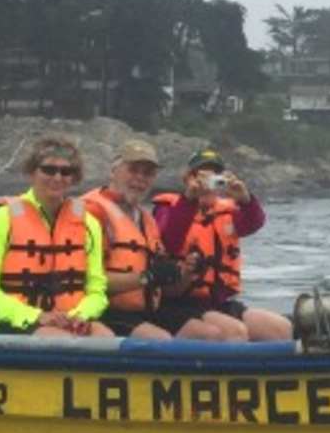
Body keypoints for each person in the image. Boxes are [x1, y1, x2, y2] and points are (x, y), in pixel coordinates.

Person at [83, 139, 238, 341]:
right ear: (114, 170)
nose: (140, 178)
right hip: (106, 311)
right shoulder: (92, 211)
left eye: (147, 173)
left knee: (211, 334)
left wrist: (185, 274)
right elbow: (85, 281)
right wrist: (147, 277)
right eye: (133, 170)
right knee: (161, 339)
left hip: (147, 311)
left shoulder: (147, 220)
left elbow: (167, 290)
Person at [0, 135, 112, 337]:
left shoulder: (89, 224)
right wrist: (36, 316)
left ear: (74, 177)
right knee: (59, 340)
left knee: (105, 337)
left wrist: (80, 315)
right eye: (49, 170)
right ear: (32, 172)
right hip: (12, 323)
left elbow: (97, 290)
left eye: (66, 171)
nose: (58, 177)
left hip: (71, 321)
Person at [154, 148, 291, 342]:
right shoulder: (169, 210)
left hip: (217, 302)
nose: (207, 184)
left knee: (280, 329)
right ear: (188, 178)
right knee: (233, 332)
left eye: (214, 176)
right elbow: (169, 240)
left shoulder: (227, 213)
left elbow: (254, 222)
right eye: (201, 176)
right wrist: (190, 199)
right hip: (177, 302)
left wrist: (245, 200)